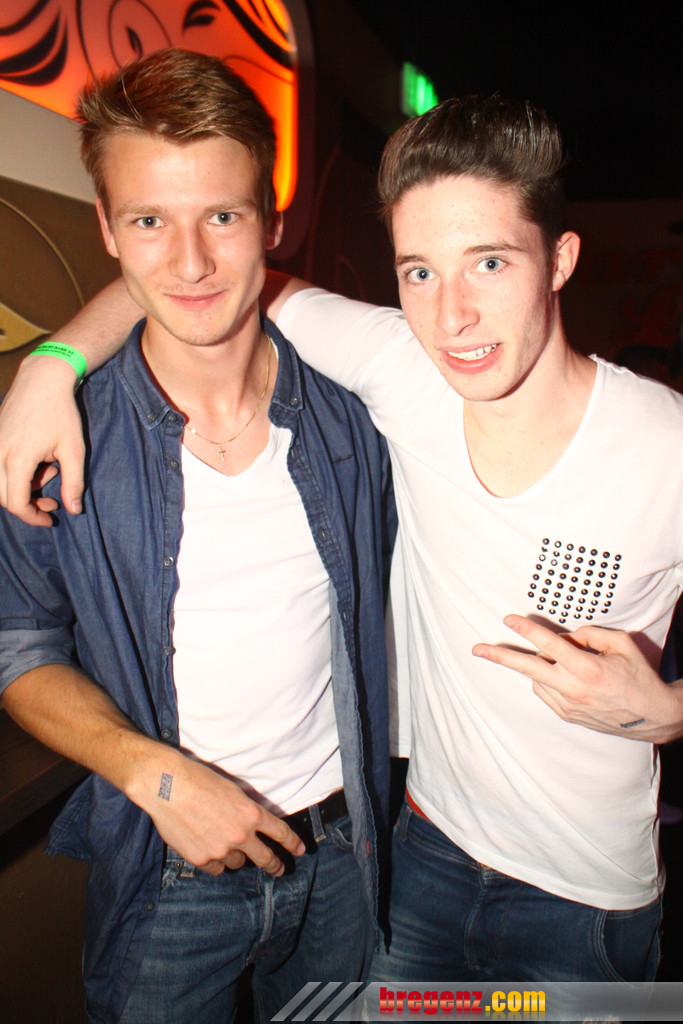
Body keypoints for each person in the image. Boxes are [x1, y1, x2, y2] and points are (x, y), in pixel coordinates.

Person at [2, 93, 682, 985]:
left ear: (558, 259)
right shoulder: (400, 369)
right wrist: (50, 366)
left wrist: (671, 711)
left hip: (580, 898)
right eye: (418, 272)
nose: (453, 316)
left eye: (488, 262)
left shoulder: (662, 444)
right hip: (418, 859)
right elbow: (201, 280)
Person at [0, 49, 396, 1023]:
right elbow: (18, 645)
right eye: (149, 221)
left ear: (271, 218)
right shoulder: (58, 435)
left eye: (222, 216)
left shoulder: (359, 414)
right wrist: (154, 773)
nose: (189, 263)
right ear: (106, 228)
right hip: (166, 869)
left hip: (345, 858)